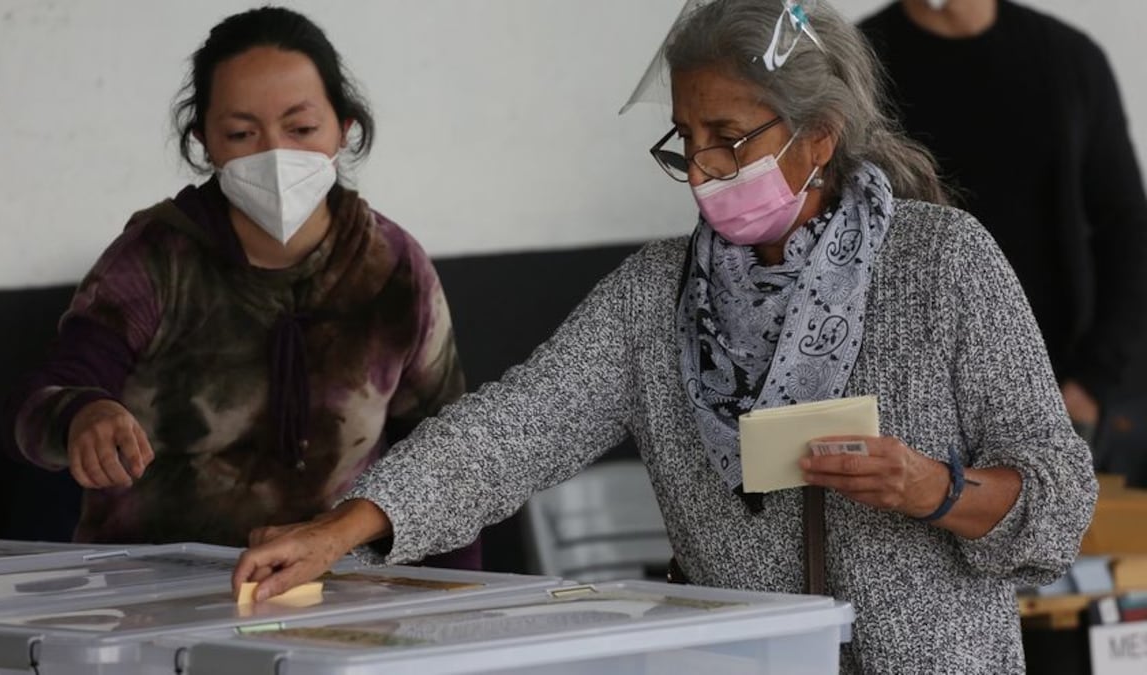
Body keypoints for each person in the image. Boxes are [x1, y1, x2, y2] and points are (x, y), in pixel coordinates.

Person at [234, 1, 1096, 671]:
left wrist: (930, 487)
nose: (707, 167)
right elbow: (514, 429)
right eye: (687, 140)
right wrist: (343, 528)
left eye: (730, 137)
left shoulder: (942, 263)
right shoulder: (657, 293)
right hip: (739, 664)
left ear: (818, 138)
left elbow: (1058, 501)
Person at [8, 7, 480, 569]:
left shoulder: (392, 268)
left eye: (301, 128)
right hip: (151, 600)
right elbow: (41, 407)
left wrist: (453, 610)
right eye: (240, 133)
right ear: (204, 141)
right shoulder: (156, 259)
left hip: (344, 606)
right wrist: (81, 415)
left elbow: (447, 460)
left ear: (344, 130)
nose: (274, 154)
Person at [859, 0, 1147, 454]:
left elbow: (1128, 229)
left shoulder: (1068, 61)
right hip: (903, 408)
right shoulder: (858, 63)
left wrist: (1092, 384)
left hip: (1054, 398)